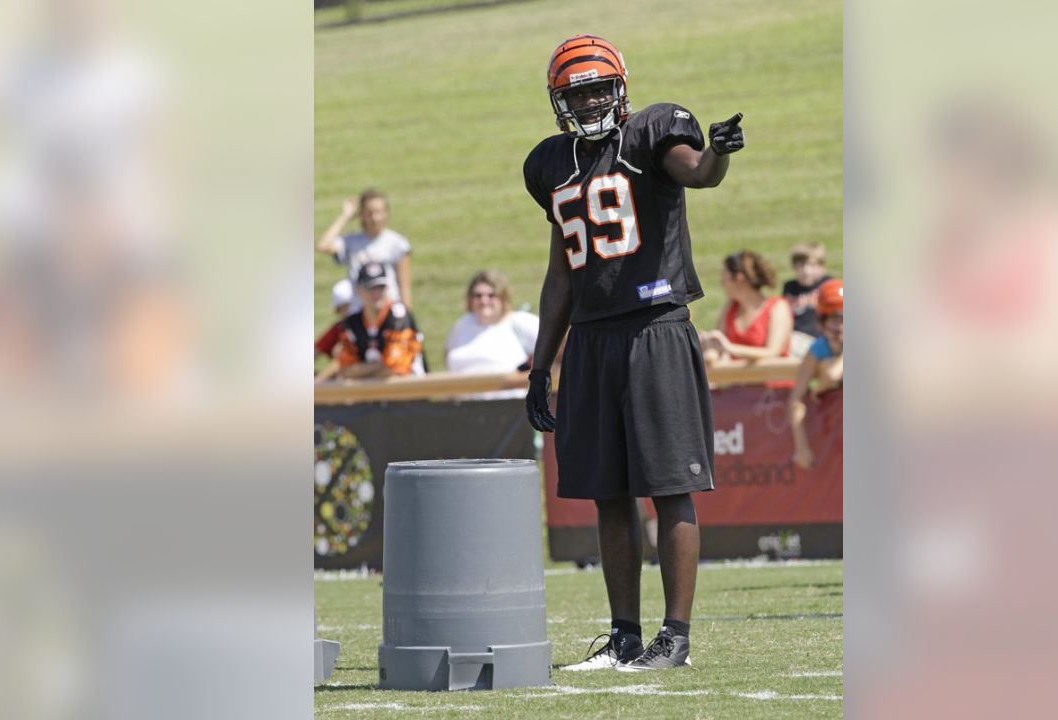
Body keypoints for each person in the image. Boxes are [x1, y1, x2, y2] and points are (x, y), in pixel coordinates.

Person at [522, 34, 745, 672]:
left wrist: (719, 156)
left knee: (669, 485)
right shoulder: (549, 164)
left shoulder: (654, 132)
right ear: (558, 100)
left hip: (654, 325)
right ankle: (623, 636)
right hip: (591, 336)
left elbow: (697, 172)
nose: (589, 99)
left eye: (597, 87)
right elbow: (562, 271)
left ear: (620, 88)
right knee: (606, 491)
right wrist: (543, 364)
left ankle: (674, 637)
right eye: (577, 91)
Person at [315, 262, 424, 382]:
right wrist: (381, 366)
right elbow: (345, 369)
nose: (376, 294)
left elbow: (397, 368)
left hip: (408, 392)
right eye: (370, 288)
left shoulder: (399, 317)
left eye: (381, 287)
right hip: (367, 395)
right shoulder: (352, 323)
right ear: (358, 290)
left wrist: (359, 370)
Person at [445, 270, 540, 398]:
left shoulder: (519, 322)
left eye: (491, 295)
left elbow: (556, 350)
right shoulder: (461, 325)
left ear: (502, 298)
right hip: (464, 408)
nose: (484, 301)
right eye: (478, 296)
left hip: (509, 408)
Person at [699, 250, 794, 375]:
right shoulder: (730, 307)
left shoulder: (777, 307)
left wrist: (730, 348)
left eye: (724, 277)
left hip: (773, 386)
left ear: (739, 278)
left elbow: (773, 352)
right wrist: (707, 348)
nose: (722, 283)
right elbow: (717, 348)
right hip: (739, 384)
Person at [316, 188, 412, 308]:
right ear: (361, 215)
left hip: (389, 313)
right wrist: (345, 216)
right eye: (369, 213)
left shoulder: (397, 243)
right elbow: (323, 246)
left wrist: (407, 317)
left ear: (386, 212)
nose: (375, 218)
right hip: (359, 313)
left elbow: (404, 286)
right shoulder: (351, 242)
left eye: (379, 212)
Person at [790, 278, 843, 470]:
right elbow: (796, 398)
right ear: (823, 322)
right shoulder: (818, 349)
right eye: (835, 319)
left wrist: (819, 387)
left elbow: (832, 375)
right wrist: (801, 446)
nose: (841, 327)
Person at [782, 242, 833, 358]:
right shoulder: (790, 287)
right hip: (793, 336)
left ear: (822, 267)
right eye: (801, 265)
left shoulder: (827, 285)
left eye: (812, 265)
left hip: (817, 340)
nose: (806, 270)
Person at [314, 279, 356, 361]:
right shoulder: (340, 328)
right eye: (342, 308)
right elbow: (316, 351)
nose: (348, 311)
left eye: (348, 306)